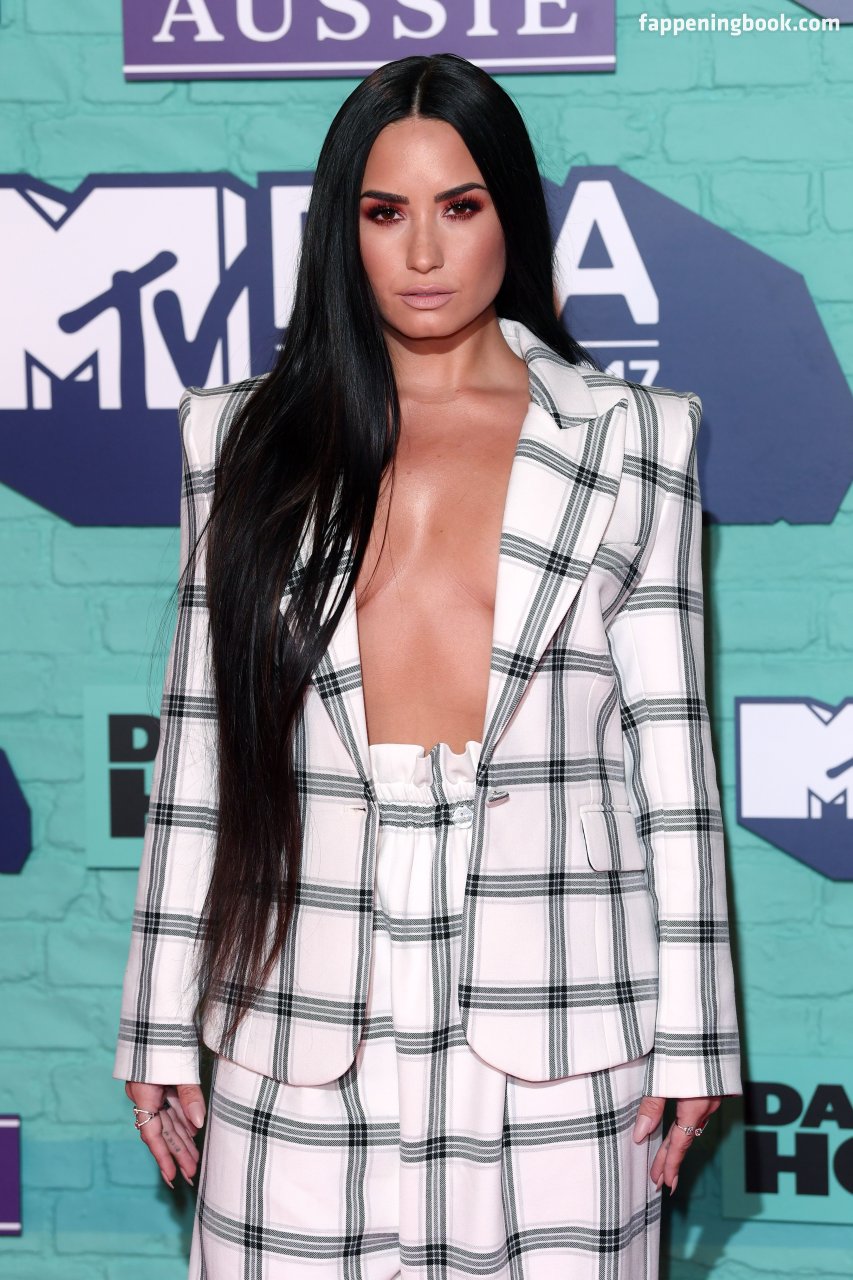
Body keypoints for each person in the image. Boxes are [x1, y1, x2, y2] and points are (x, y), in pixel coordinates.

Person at [114, 52, 742, 1279]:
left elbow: (671, 763)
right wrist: (157, 1014)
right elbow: (200, 749)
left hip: (562, 1015)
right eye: (382, 211)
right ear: (340, 229)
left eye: (459, 206)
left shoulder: (633, 439)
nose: (420, 252)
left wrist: (695, 1033)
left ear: (510, 213)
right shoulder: (240, 439)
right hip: (298, 1010)